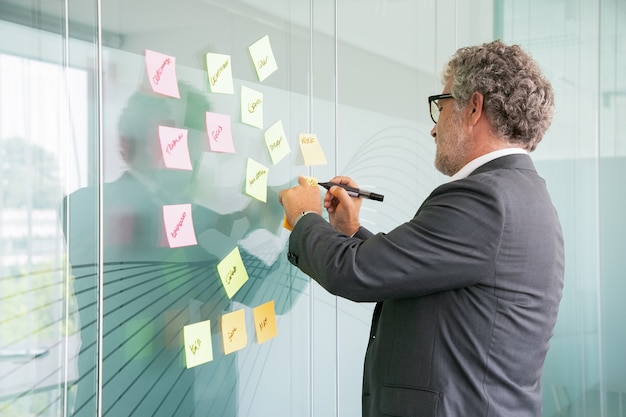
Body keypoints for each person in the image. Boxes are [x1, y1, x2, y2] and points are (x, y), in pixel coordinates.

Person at [278, 39, 564, 416]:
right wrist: (350, 232)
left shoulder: (485, 199)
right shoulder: (524, 195)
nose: (433, 129)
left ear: (474, 107)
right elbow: (424, 271)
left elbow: (354, 273)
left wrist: (303, 218)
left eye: (440, 106)